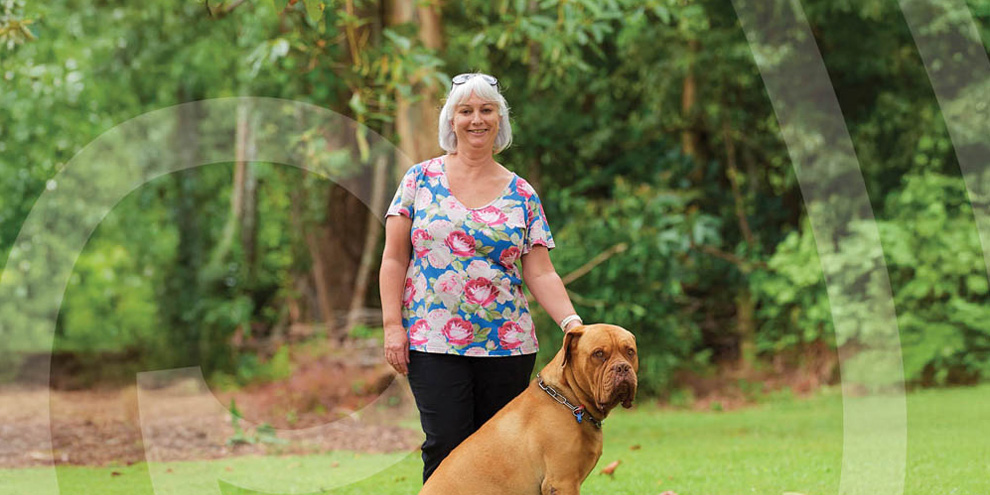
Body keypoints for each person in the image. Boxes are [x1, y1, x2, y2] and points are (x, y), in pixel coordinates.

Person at [379, 72, 583, 483]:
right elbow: (394, 259)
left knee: (504, 455)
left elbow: (540, 271)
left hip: (507, 346)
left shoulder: (522, 193)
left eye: (487, 110)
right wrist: (391, 326)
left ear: (499, 119)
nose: (477, 119)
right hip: (432, 342)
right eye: (466, 111)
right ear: (451, 120)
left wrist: (572, 323)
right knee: (445, 445)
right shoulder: (419, 180)